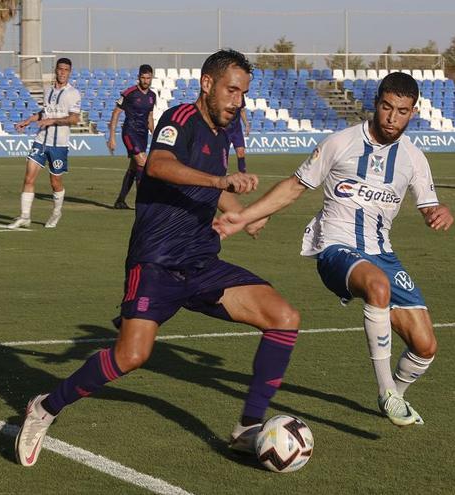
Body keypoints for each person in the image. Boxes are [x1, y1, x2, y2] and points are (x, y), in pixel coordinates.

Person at [15, 49, 299, 467]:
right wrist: (222, 180)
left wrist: (239, 214)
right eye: (232, 90)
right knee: (131, 356)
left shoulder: (225, 129)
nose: (238, 101)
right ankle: (44, 408)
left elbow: (208, 187)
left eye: (244, 93)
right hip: (156, 261)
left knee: (284, 317)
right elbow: (161, 167)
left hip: (201, 260)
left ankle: (247, 428)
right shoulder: (179, 118)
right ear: (208, 84)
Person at [214, 72, 454, 427]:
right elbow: (295, 187)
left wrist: (439, 211)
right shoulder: (340, 143)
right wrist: (244, 216)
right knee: (377, 286)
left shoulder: (414, 158)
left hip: (382, 254)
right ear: (376, 104)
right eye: (387, 107)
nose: (392, 117)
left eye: (402, 111)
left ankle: (395, 396)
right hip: (335, 248)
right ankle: (387, 390)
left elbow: (428, 206)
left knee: (425, 346)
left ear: (413, 112)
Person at [8, 58, 81, 229]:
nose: (62, 72)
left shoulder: (73, 93)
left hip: (59, 145)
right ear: (55, 70)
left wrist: (52, 121)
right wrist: (28, 120)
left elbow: (74, 118)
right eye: (60, 69)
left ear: (70, 72)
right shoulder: (47, 90)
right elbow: (44, 112)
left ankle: (56, 212)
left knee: (55, 182)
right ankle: (25, 216)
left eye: (66, 70)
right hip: (40, 140)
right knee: (28, 177)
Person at [108, 64, 157, 209]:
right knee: (143, 162)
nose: (146, 80)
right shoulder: (129, 93)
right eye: (143, 77)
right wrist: (112, 137)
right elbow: (116, 113)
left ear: (151, 78)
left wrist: (155, 135)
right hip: (130, 132)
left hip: (143, 135)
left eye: (148, 78)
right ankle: (142, 202)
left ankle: (120, 201)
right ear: (138, 77)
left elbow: (150, 116)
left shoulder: (152, 96)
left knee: (134, 168)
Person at [225, 95, 250, 172]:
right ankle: (221, 173)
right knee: (224, 154)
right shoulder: (224, 93)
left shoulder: (240, 95)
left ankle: (242, 175)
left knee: (241, 152)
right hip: (225, 129)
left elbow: (242, 110)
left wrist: (246, 124)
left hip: (236, 129)